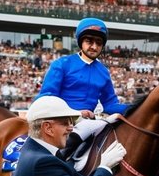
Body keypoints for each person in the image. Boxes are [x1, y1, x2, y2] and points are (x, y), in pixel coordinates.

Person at [37, 17, 128, 156]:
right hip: (61, 121)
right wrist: (76, 113)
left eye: (98, 43)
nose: (94, 46)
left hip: (87, 123)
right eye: (89, 41)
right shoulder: (62, 64)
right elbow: (47, 97)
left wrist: (137, 107)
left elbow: (110, 103)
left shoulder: (103, 72)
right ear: (81, 42)